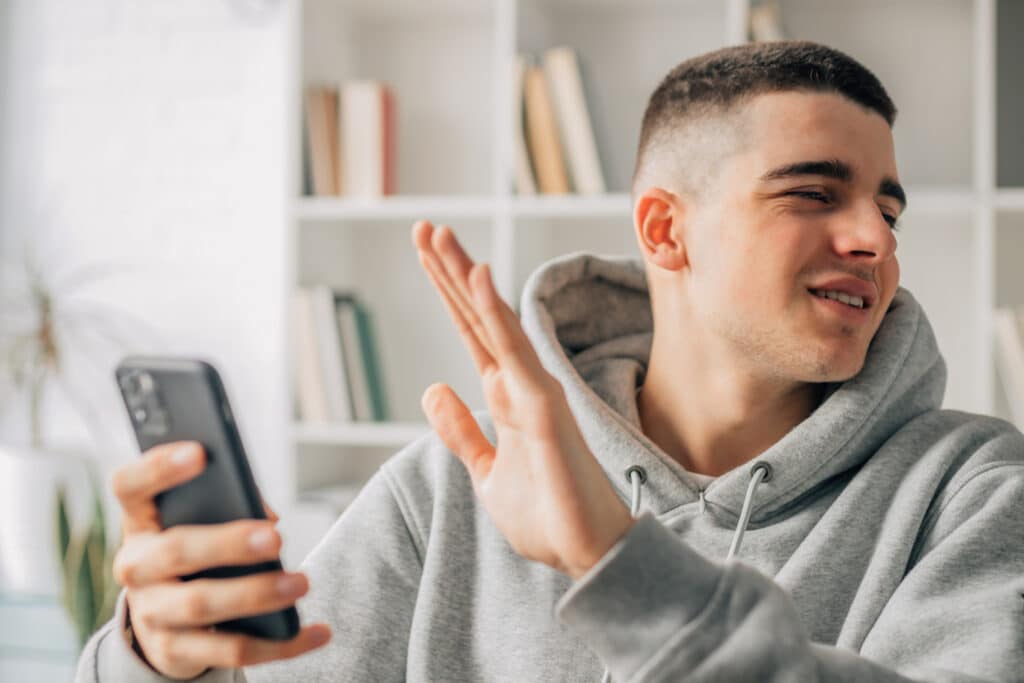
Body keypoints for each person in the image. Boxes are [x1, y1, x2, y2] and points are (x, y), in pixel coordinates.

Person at [76, 40, 1024, 683]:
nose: (873, 240)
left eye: (888, 212)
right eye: (815, 193)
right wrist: (157, 657)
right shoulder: (456, 485)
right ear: (665, 230)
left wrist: (614, 561)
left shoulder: (972, 490)